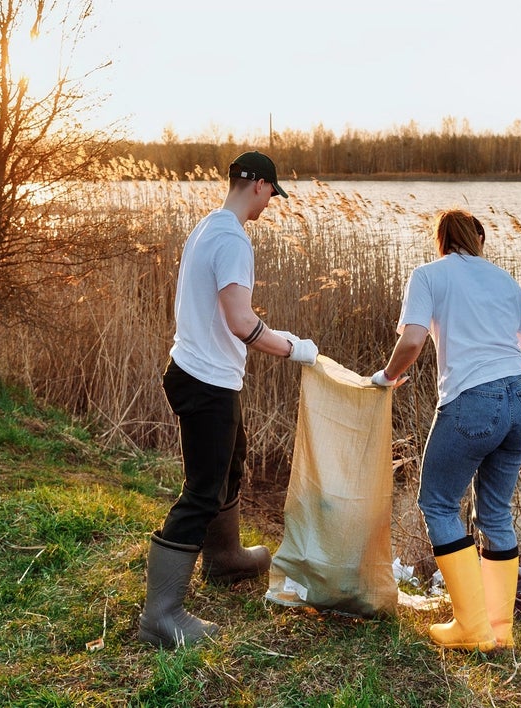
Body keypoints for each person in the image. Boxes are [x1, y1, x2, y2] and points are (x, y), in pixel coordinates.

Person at [138, 150, 318, 649]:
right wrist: (293, 348)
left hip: (205, 374)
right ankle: (162, 614)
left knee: (229, 465)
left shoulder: (208, 227)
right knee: (201, 491)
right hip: (206, 380)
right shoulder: (233, 238)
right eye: (271, 195)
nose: (269, 206)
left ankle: (225, 558)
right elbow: (241, 323)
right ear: (258, 185)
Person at [370, 208, 521, 651]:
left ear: (441, 240)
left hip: (472, 400)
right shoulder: (503, 279)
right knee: (496, 512)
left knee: (438, 503)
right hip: (519, 396)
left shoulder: (428, 275)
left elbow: (411, 340)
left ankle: (470, 628)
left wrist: (387, 377)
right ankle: (498, 631)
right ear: (479, 239)